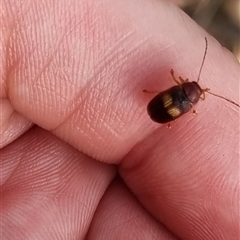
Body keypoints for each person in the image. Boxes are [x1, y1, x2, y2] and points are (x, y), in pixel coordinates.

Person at [1, 0, 239, 239]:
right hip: (161, 110)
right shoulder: (188, 104)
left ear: (185, 85)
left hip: (160, 108)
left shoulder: (183, 94)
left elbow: (173, 84)